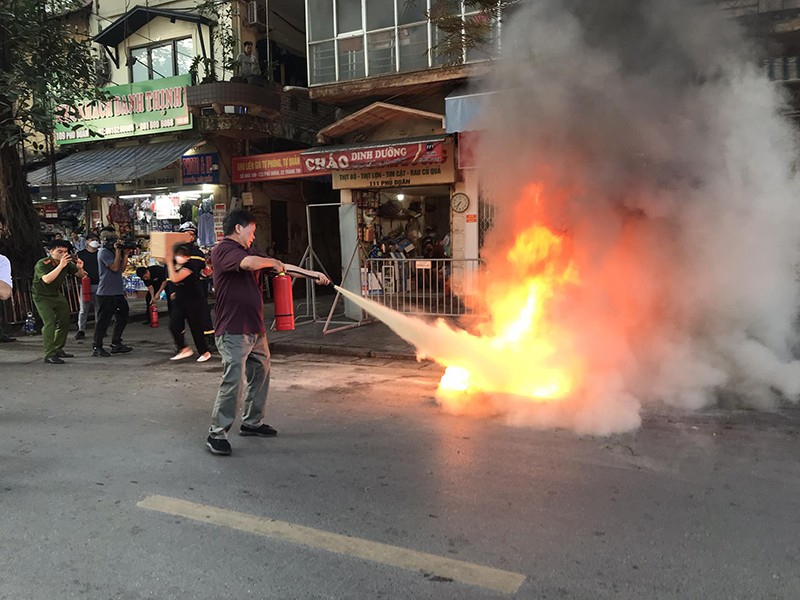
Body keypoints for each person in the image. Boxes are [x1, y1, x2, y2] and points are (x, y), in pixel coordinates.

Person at [205, 208, 330, 455]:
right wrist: (271, 261)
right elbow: (249, 265)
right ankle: (216, 433)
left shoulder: (249, 251)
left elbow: (280, 267)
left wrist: (312, 274)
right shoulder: (224, 251)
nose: (253, 237)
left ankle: (252, 422)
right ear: (238, 228)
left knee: (261, 374)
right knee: (233, 381)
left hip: (255, 328)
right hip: (233, 330)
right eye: (251, 232)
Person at [32, 240, 86, 364]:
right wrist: (61, 265)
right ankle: (49, 353)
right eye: (59, 251)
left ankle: (58, 348)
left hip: (56, 294)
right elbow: (47, 279)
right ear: (51, 252)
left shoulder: (67, 264)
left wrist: (80, 268)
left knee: (64, 321)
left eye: (65, 252)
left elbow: (81, 275)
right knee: (49, 322)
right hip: (41, 296)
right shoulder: (43, 263)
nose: (63, 254)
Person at [166, 243, 211, 362]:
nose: (182, 257)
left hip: (194, 301)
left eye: (184, 255)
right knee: (174, 325)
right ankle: (183, 348)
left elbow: (175, 278)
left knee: (196, 328)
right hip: (180, 300)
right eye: (180, 254)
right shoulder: (176, 265)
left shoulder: (190, 266)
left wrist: (169, 262)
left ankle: (204, 352)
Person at [92, 230, 133, 357]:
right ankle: (97, 346)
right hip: (106, 293)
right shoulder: (103, 252)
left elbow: (121, 269)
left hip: (117, 291)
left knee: (123, 316)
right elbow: (114, 267)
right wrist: (117, 252)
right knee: (103, 321)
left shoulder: (112, 252)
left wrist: (125, 254)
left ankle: (116, 343)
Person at [178, 221, 215, 349]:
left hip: (198, 291)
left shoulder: (198, 253)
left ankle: (208, 342)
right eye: (187, 234)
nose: (191, 237)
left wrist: (207, 273)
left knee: (204, 316)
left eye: (193, 234)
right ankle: (180, 345)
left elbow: (203, 270)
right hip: (181, 291)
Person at [75, 232, 101, 340]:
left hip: (99, 284)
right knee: (83, 309)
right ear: (86, 242)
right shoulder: (81, 254)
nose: (94, 241)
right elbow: (77, 269)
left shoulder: (101, 253)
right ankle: (81, 330)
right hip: (86, 284)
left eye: (96, 239)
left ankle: (99, 329)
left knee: (98, 308)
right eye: (91, 240)